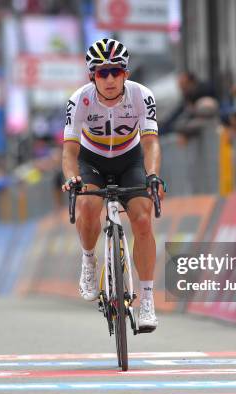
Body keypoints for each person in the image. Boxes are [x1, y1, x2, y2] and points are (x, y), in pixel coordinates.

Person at [61, 38, 165, 331]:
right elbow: (69, 151)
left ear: (126, 74)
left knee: (143, 219)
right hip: (91, 161)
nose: (109, 78)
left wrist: (153, 174)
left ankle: (146, 299)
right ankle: (89, 260)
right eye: (101, 72)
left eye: (115, 72)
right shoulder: (79, 99)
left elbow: (151, 143)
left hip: (129, 160)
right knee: (89, 204)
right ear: (91, 76)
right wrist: (71, 177)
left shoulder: (142, 95)